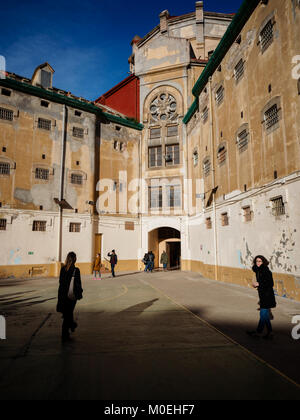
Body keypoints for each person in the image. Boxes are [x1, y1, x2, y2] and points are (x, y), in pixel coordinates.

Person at [247, 255, 276, 340]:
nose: (258, 263)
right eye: (256, 261)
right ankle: (270, 332)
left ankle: (258, 332)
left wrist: (259, 284)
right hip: (263, 295)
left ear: (263, 262)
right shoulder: (258, 271)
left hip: (267, 296)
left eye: (260, 261)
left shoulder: (266, 271)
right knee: (265, 315)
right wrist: (257, 285)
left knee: (263, 314)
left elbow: (270, 284)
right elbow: (262, 282)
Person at [57, 252, 83, 342]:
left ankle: (70, 327)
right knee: (68, 314)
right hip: (71, 295)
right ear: (75, 259)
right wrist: (79, 293)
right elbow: (78, 284)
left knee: (67, 314)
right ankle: (66, 333)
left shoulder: (62, 269)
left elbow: (61, 282)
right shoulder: (76, 270)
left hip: (63, 295)